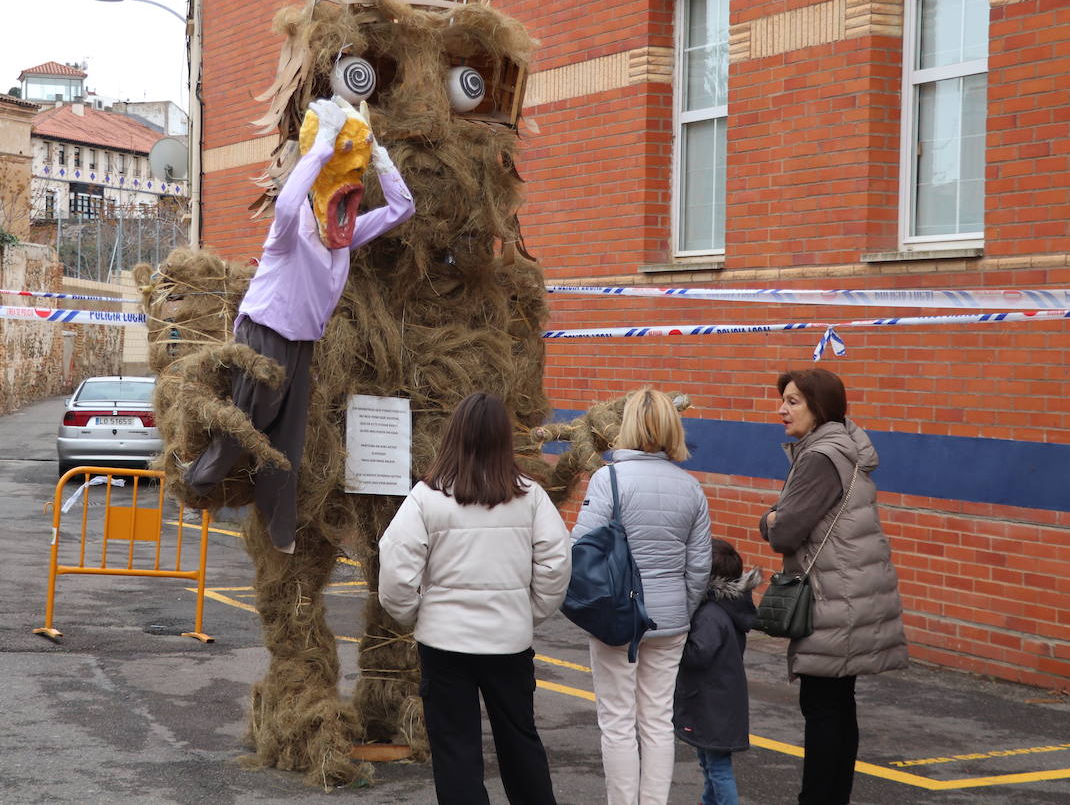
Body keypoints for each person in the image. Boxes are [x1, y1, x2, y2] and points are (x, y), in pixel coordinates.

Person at [185, 96, 414, 553]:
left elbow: (401, 209)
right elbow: (288, 205)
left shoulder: (343, 238)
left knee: (289, 441)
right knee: (250, 422)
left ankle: (279, 527)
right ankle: (195, 479)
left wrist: (381, 157)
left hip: (302, 343)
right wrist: (323, 146)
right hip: (264, 334)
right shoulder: (293, 229)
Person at [379, 392, 571, 805]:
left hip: (445, 645)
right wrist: (529, 613)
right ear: (504, 439)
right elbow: (556, 563)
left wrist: (416, 615)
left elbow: (395, 567)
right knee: (520, 742)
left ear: (454, 436)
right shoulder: (530, 496)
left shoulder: (426, 497)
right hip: (509, 642)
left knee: (455, 753)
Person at [760, 368, 908, 805]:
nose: (780, 409)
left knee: (823, 708)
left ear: (818, 406)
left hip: (832, 597)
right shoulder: (845, 446)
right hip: (851, 591)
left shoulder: (820, 456)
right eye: (782, 400)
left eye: (792, 401)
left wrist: (767, 520)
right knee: (838, 704)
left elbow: (785, 531)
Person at [573, 386, 711, 805]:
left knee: (617, 722)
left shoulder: (608, 479)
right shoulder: (690, 488)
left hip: (617, 618)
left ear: (627, 426)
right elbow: (699, 566)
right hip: (670, 621)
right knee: (656, 720)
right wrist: (679, 613)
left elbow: (580, 548)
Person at [673, 537, 761, 805]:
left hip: (711, 703)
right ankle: (708, 801)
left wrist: (677, 642)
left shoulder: (711, 614)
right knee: (709, 759)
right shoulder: (729, 607)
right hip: (720, 700)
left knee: (717, 766)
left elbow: (698, 654)